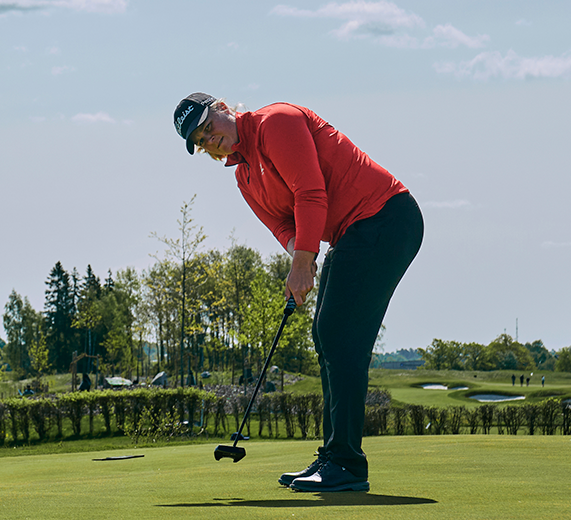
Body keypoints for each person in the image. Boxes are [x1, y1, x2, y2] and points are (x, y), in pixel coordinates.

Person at [173, 92, 423, 493]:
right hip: (353, 233)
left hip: (385, 218)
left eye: (208, 127)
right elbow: (282, 227)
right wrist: (298, 260)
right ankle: (335, 456)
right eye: (200, 141)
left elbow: (311, 192)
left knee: (340, 337)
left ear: (223, 108)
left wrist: (303, 264)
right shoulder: (244, 176)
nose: (208, 140)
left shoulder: (277, 122)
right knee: (327, 337)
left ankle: (346, 463)